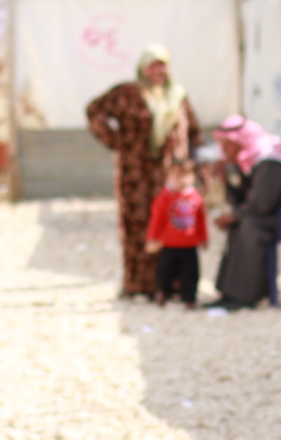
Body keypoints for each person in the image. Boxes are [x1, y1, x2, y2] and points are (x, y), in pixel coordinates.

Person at [86, 44, 201, 299]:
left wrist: (193, 164)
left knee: (174, 226)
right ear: (143, 68)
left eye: (163, 64)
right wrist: (117, 142)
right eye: (153, 65)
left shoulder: (177, 96)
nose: (159, 70)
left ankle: (171, 285)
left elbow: (193, 132)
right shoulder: (128, 93)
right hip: (136, 175)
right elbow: (94, 112)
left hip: (171, 176)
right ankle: (139, 284)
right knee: (138, 227)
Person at [208, 116, 281, 309]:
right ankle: (228, 293)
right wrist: (226, 178)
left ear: (241, 141)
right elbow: (243, 201)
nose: (223, 151)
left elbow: (261, 204)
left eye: (227, 145)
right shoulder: (251, 161)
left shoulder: (269, 160)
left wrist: (234, 216)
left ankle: (247, 296)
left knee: (250, 225)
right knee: (241, 223)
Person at [145, 158, 208, 307]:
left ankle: (189, 298)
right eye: (177, 175)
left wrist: (204, 238)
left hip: (190, 244)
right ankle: (163, 293)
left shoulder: (195, 197)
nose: (182, 180)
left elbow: (201, 220)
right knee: (165, 272)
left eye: (186, 175)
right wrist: (152, 238)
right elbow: (157, 219)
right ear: (170, 177)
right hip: (169, 243)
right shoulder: (164, 197)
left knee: (191, 273)